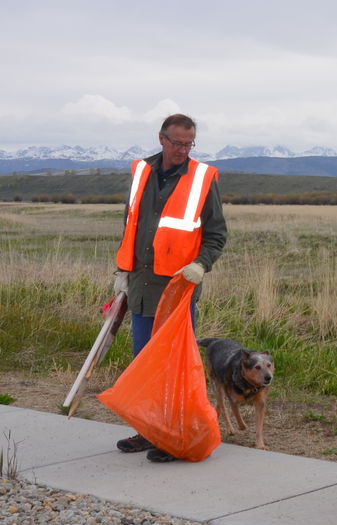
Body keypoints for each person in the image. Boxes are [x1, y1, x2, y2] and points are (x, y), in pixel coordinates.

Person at [113, 113, 227, 462]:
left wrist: (200, 265)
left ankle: (174, 436)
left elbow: (217, 234)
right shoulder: (142, 174)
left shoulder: (202, 179)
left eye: (188, 144)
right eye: (176, 143)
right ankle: (149, 430)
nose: (182, 150)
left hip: (178, 291)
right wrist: (122, 270)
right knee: (143, 363)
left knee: (173, 367)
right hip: (141, 286)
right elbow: (131, 224)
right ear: (161, 139)